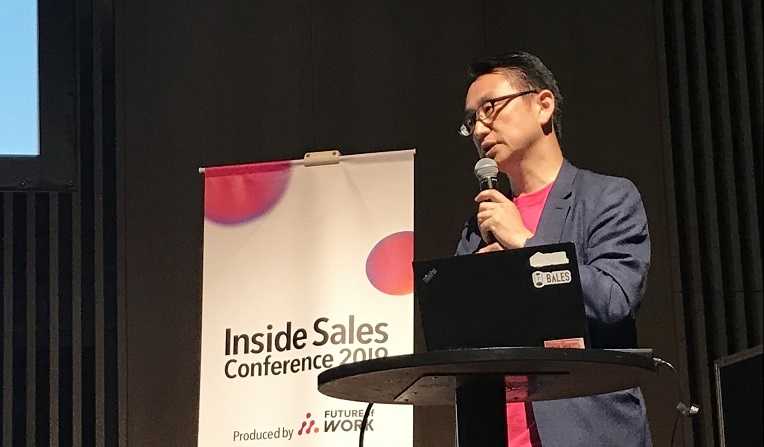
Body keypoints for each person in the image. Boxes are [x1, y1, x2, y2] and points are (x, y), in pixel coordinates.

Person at [455, 51, 652, 446]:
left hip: (586, 433)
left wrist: (525, 246)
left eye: (490, 108)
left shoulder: (606, 198)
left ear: (543, 105)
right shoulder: (482, 224)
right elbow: (456, 339)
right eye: (471, 120)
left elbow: (614, 299)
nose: (479, 128)